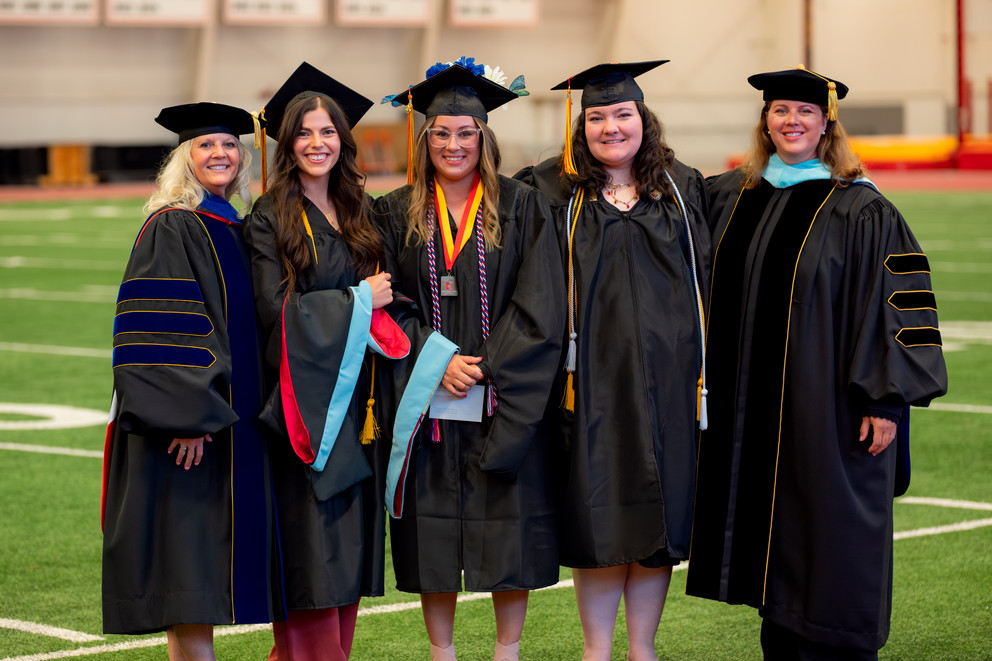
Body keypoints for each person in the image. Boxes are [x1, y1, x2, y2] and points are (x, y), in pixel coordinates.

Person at [685, 67, 948, 660]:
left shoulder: (862, 209)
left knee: (830, 533)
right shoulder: (731, 195)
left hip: (828, 405)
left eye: (805, 111)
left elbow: (897, 304)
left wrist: (885, 401)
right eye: (780, 110)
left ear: (827, 123)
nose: (792, 121)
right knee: (773, 542)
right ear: (765, 121)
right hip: (746, 408)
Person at [243, 62, 449, 661]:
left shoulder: (360, 210)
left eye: (328, 132)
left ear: (343, 140)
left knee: (349, 557)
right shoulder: (270, 217)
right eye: (304, 133)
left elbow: (393, 295)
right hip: (306, 408)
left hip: (361, 406)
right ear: (288, 143)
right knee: (313, 557)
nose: (317, 143)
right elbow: (274, 312)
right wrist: (357, 301)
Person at [514, 61, 709, 661]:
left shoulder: (682, 187)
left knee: (660, 514)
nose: (611, 127)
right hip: (589, 386)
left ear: (643, 120)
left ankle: (642, 648)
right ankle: (596, 649)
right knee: (599, 513)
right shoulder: (550, 190)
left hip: (670, 383)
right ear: (581, 126)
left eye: (623, 114)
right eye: (596, 117)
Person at [373, 58, 565, 661]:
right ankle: (443, 653)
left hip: (503, 395)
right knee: (431, 533)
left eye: (465, 133)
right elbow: (387, 302)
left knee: (508, 529)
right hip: (427, 397)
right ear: (424, 138)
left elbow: (541, 299)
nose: (453, 145)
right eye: (441, 133)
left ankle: (507, 651)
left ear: (484, 138)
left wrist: (485, 364)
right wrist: (436, 359)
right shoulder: (394, 211)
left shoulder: (523, 205)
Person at [102, 102, 283, 660]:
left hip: (226, 422)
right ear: (185, 158)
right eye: (206, 145)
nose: (220, 154)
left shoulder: (232, 225)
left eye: (229, 145)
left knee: (202, 570)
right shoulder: (175, 225)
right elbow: (163, 328)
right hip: (189, 427)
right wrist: (186, 416)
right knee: (187, 571)